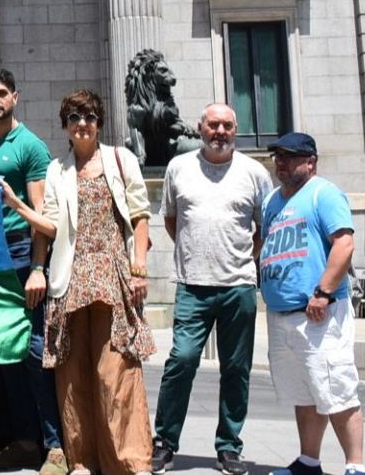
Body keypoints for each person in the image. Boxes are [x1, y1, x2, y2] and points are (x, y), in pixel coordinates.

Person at [28, 89, 155, 475]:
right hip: (71, 276)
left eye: (89, 117)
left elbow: (140, 215)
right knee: (73, 373)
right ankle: (82, 459)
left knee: (115, 372)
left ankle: (129, 462)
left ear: (99, 122)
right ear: (65, 126)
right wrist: (22, 215)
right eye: (74, 118)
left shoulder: (121, 159)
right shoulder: (57, 169)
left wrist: (139, 267)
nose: (82, 124)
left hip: (113, 274)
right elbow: (48, 225)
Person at [151, 103, 273, 475]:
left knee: (236, 369)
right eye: (212, 125)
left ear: (235, 130)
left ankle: (229, 446)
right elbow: (172, 221)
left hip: (238, 287)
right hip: (192, 285)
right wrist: (195, 255)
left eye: (226, 126)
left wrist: (241, 260)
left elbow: (264, 229)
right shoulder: (179, 168)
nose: (219, 131)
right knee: (182, 360)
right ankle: (164, 442)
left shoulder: (254, 173)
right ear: (200, 128)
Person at [0, 68, 62, 474]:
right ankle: (17, 441)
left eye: (1, 93)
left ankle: (55, 446)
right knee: (2, 353)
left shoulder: (31, 147)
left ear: (15, 97)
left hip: (25, 253)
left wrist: (39, 267)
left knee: (34, 350)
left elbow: (40, 214)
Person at [259, 133, 365, 475]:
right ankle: (308, 461)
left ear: (310, 161)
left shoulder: (324, 193)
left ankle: (355, 465)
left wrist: (323, 292)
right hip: (282, 313)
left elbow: (344, 244)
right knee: (304, 391)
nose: (282, 163)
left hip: (320, 311)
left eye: (290, 157)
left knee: (335, 387)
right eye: (278, 157)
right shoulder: (273, 201)